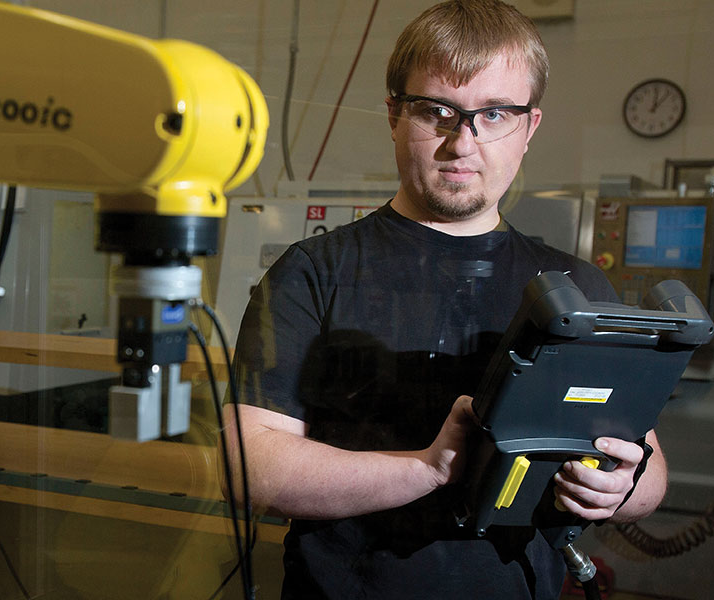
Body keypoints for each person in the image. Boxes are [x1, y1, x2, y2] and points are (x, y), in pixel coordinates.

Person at [226, 1, 667, 598]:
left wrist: (622, 490)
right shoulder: (313, 274)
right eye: (438, 111)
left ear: (529, 127)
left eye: (494, 114)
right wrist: (426, 469)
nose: (464, 142)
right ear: (393, 114)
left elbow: (647, 467)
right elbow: (249, 465)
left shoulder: (576, 289)